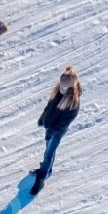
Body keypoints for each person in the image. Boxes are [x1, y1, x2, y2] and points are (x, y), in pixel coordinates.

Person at [30, 66, 82, 195]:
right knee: (48, 151)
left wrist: (51, 132)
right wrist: (43, 118)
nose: (61, 87)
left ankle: (41, 179)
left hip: (56, 132)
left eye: (64, 86)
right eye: (61, 83)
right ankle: (48, 170)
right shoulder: (58, 91)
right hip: (50, 127)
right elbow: (49, 106)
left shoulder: (72, 102)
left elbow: (64, 123)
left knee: (48, 153)